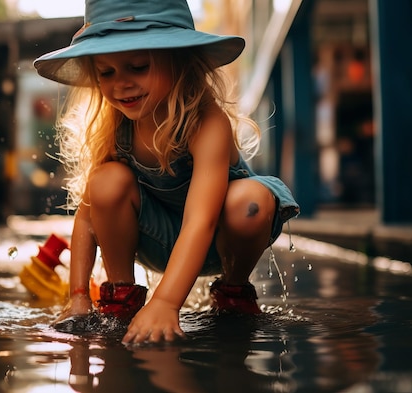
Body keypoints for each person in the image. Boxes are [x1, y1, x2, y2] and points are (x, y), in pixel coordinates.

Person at [34, 0, 300, 344]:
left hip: (220, 237)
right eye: (107, 72)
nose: (121, 85)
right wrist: (78, 297)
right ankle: (120, 300)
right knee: (105, 182)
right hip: (155, 239)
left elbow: (200, 221)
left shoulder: (206, 122)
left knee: (251, 202)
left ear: (180, 61)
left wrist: (166, 303)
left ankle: (234, 292)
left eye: (138, 66)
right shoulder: (116, 128)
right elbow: (87, 218)